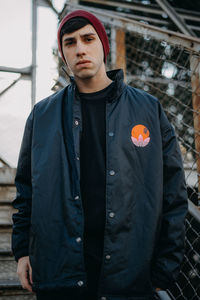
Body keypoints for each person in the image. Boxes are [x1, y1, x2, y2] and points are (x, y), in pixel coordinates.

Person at [11, 9, 188, 300]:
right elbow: (26, 190)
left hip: (129, 275)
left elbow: (173, 193)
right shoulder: (42, 116)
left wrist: (166, 267)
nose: (80, 48)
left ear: (103, 45)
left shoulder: (148, 110)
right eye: (70, 43)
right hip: (61, 274)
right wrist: (21, 252)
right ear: (63, 54)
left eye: (88, 38)